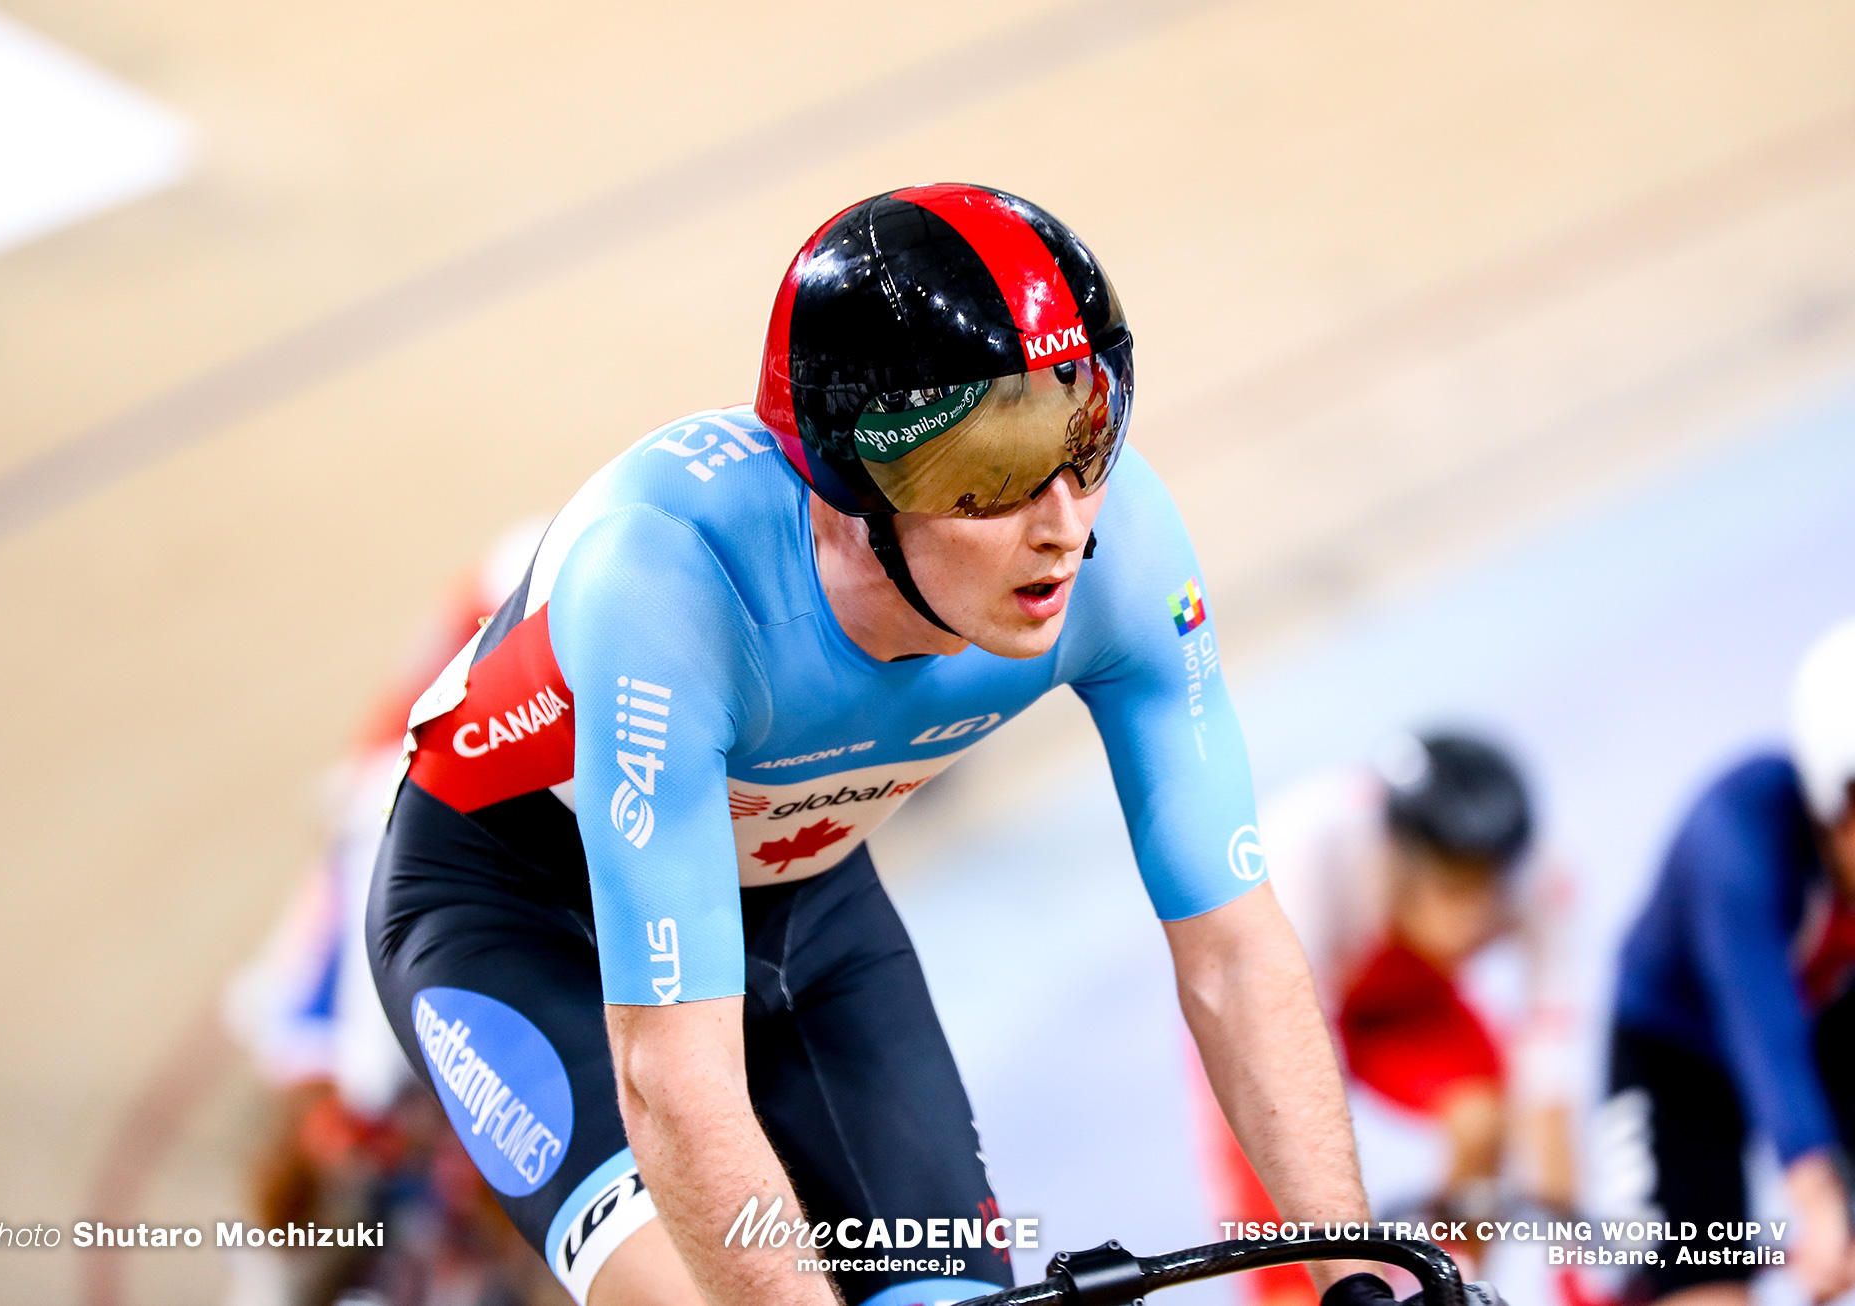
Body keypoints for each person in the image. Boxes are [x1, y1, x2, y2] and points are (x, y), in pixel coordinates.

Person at [365, 184, 1386, 1306]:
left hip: (799, 893)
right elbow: (671, 1074)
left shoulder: (1120, 549)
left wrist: (1359, 1274)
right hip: (517, 916)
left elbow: (1234, 949)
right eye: (988, 472)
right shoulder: (667, 585)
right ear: (855, 489)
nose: (1062, 520)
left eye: (1082, 431)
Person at [226, 521, 560, 1306]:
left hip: (425, 878)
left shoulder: (525, 582)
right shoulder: (519, 576)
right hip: (398, 869)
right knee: (339, 1121)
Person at [1201, 732, 1578, 1306]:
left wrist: (1572, 1273)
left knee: (1482, 1117)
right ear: (1400, 854)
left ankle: (1448, 1286)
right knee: (1298, 1269)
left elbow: (1549, 1090)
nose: (1473, 923)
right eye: (1453, 889)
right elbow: (1300, 1103)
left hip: (1399, 994)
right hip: (1276, 1010)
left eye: (1487, 892)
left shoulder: (1536, 874)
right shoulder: (1307, 852)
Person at [1605, 618, 1855, 1306]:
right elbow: (1761, 1023)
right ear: (1832, 800)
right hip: (1676, 1054)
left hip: (1825, 1024)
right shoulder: (1737, 834)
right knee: (1705, 1293)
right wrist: (1818, 1193)